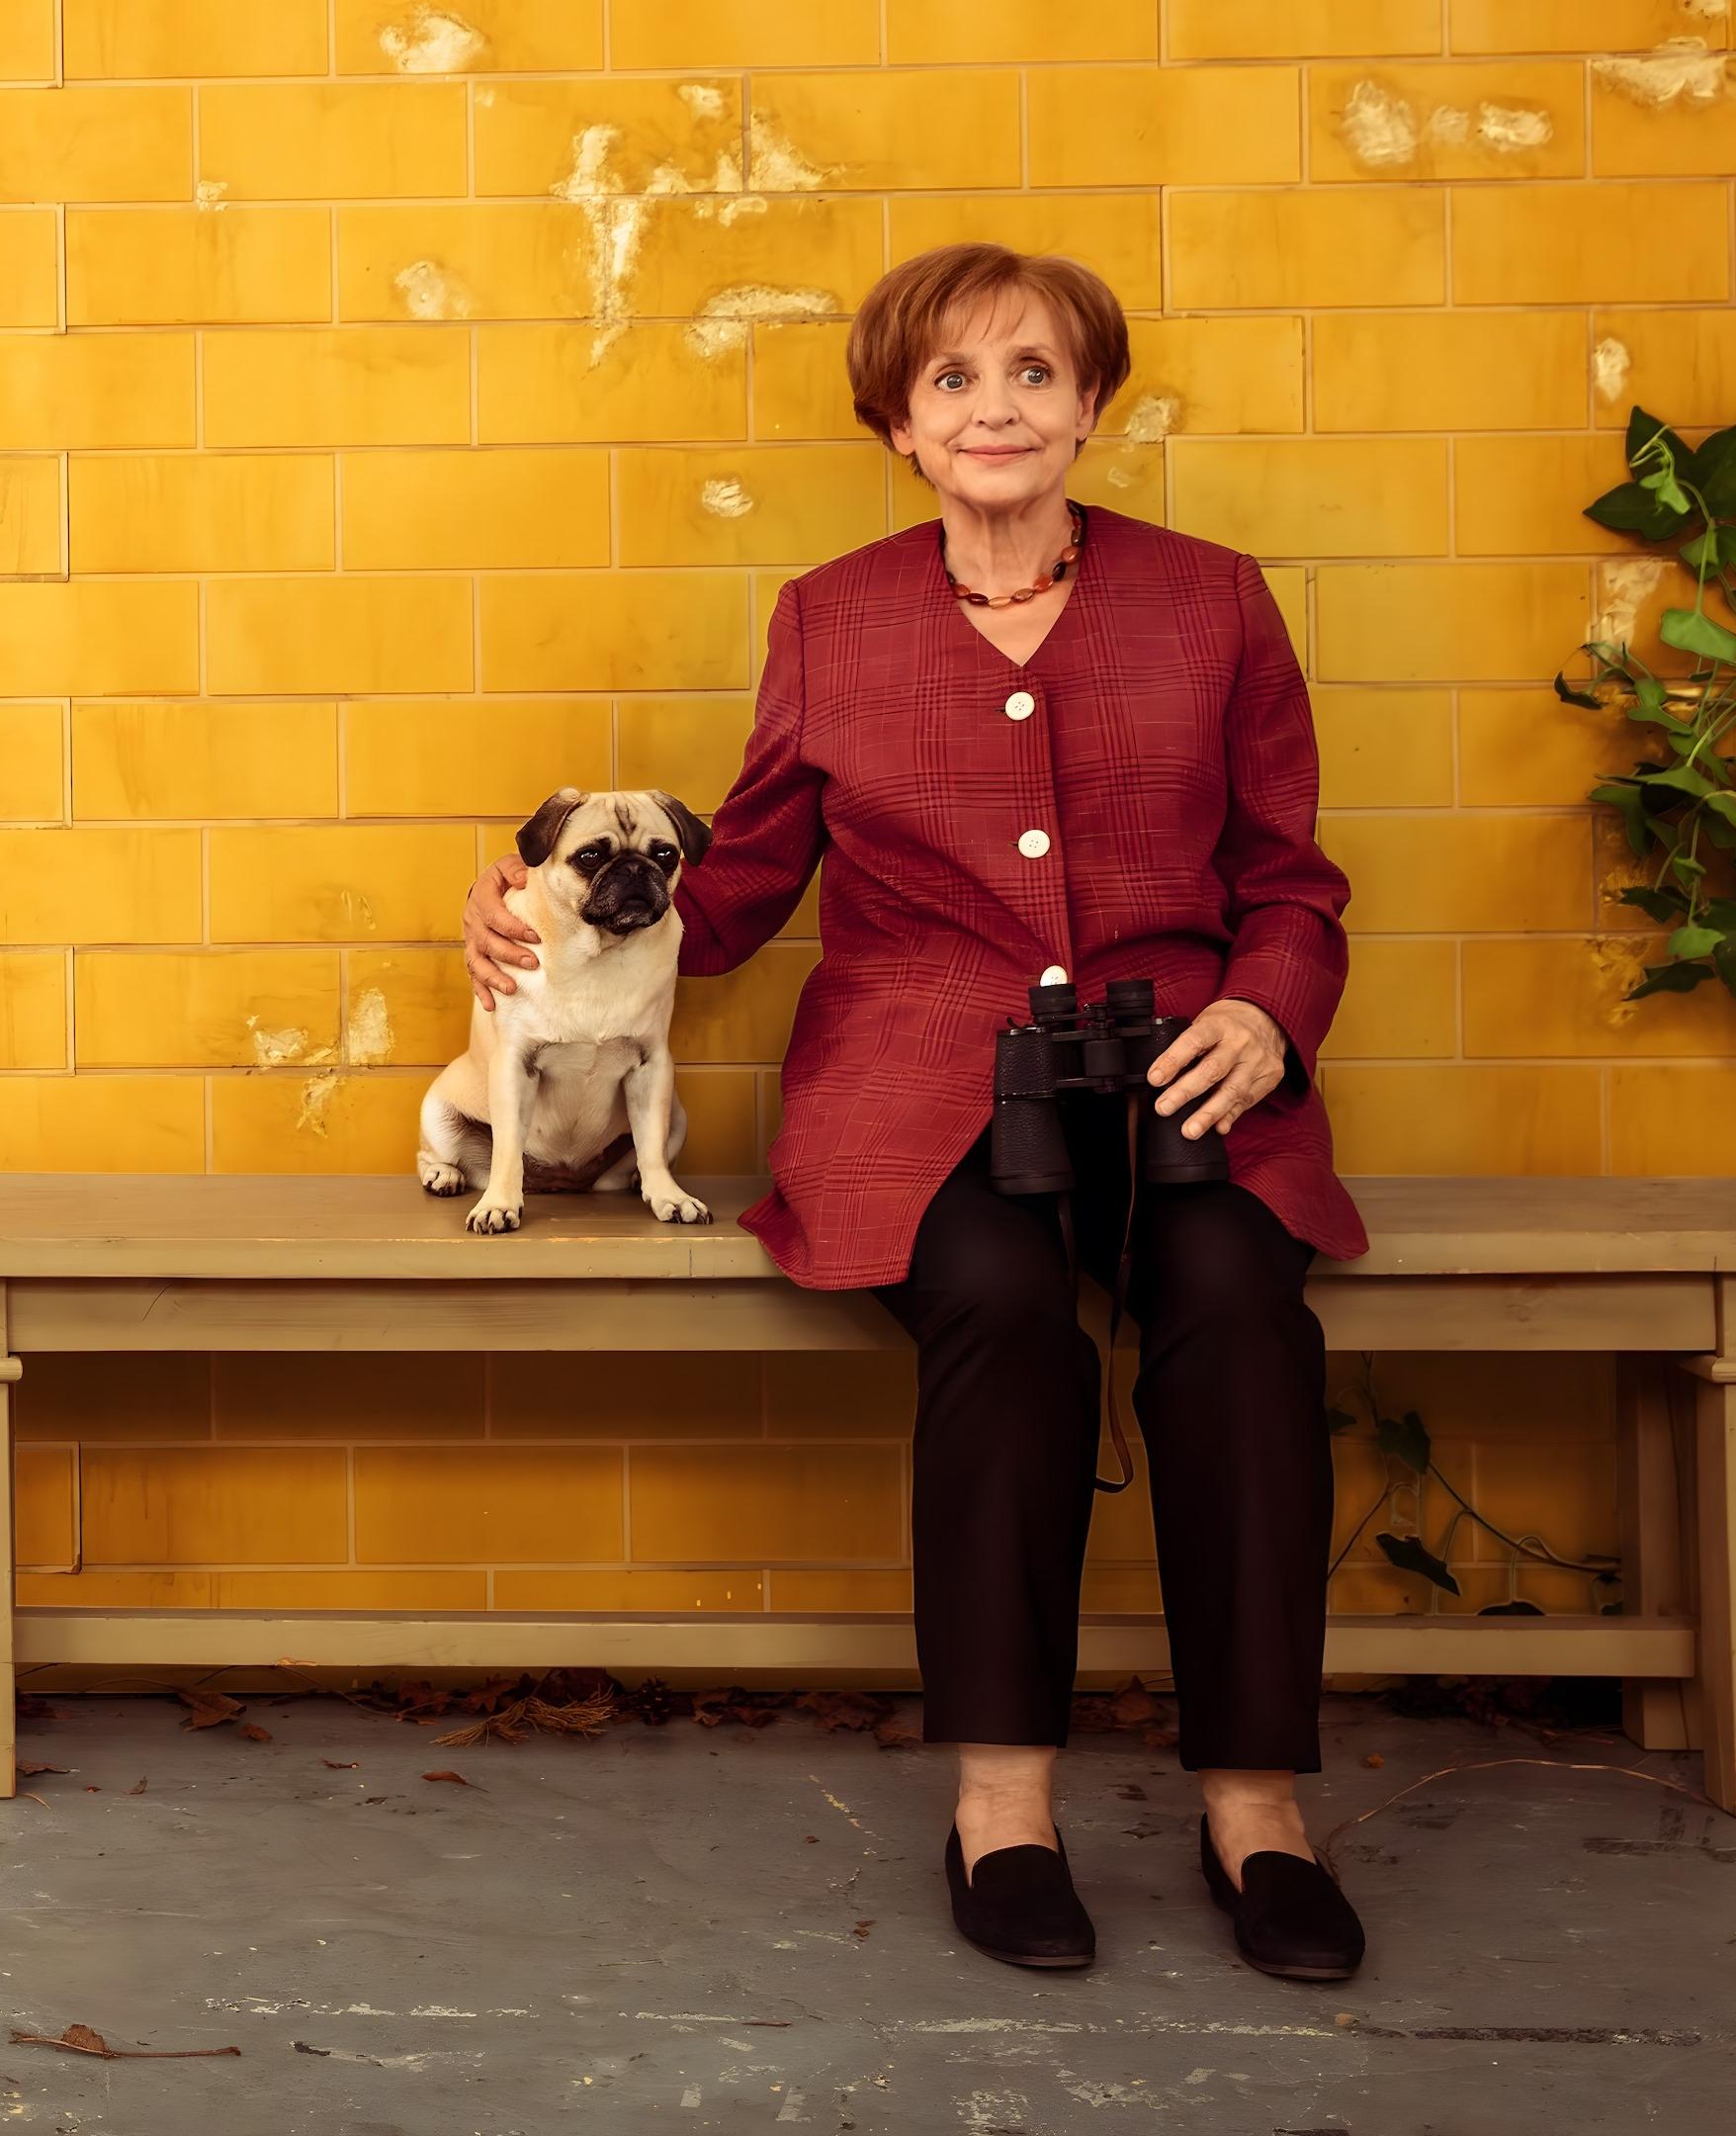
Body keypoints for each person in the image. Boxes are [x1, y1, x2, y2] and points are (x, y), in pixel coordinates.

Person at [460, 244, 1368, 1982]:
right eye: (952, 381)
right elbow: (739, 884)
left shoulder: (1216, 602)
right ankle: (1004, 1805)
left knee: (1245, 1315)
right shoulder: (834, 616)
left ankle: (1259, 1811)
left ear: (1092, 405)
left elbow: (1291, 876)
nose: (996, 408)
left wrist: (1268, 1008)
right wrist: (542, 912)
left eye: (1034, 372)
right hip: (914, 1080)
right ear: (897, 425)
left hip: (1183, 1061)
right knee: (1006, 1312)